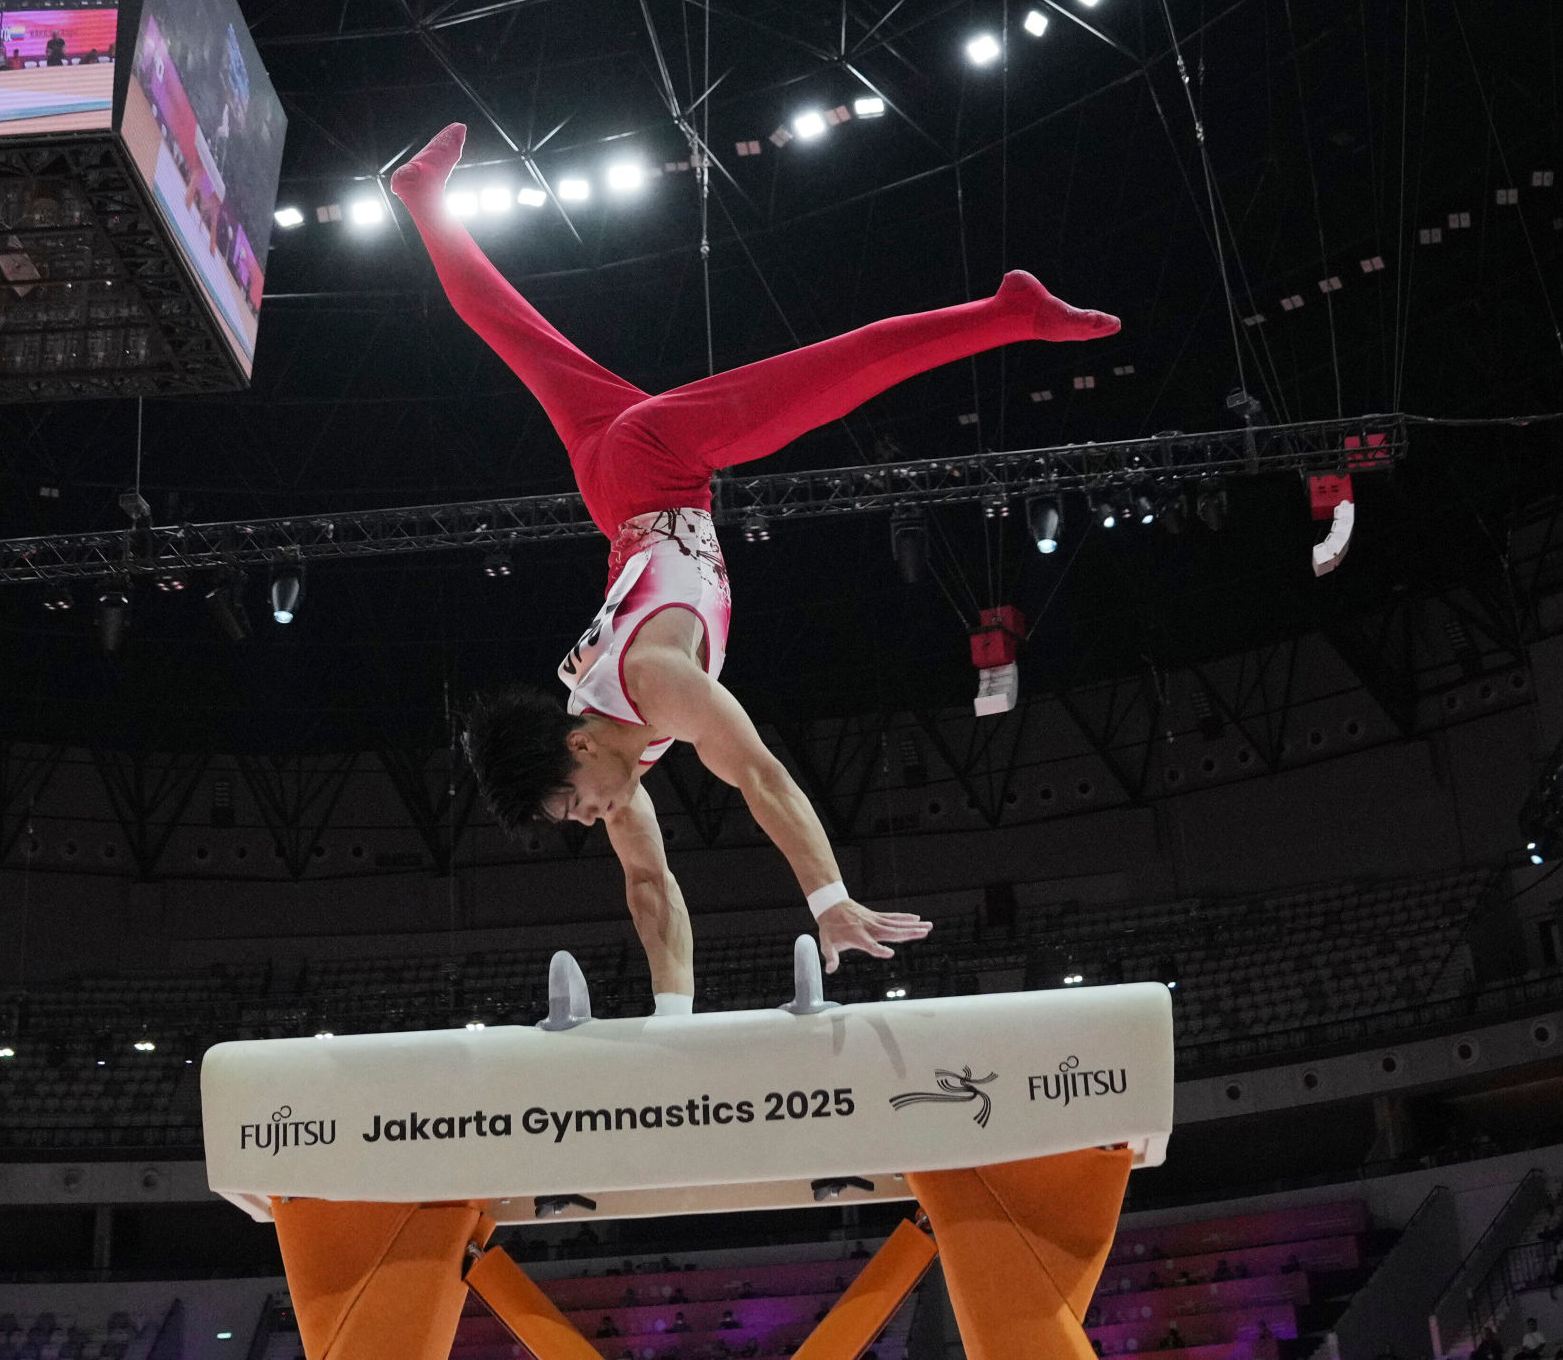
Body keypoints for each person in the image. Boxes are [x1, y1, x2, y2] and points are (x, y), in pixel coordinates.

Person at [413, 124, 1122, 995]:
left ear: (577, 744)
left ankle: (1008, 311)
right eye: (579, 820)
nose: (591, 819)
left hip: (658, 467)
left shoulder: (653, 682)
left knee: (833, 377)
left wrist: (827, 899)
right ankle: (421, 199)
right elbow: (648, 885)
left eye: (575, 802)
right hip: (616, 490)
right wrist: (672, 1013)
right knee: (516, 332)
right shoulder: (617, 758)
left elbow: (759, 773)